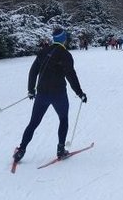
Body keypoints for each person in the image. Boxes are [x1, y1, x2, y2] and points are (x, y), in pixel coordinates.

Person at [12, 27, 87, 164]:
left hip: (42, 94)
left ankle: (21, 150)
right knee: (63, 119)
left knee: (33, 123)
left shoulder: (43, 52)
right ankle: (60, 150)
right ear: (64, 39)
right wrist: (79, 92)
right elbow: (71, 75)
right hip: (59, 94)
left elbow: (33, 71)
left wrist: (31, 89)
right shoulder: (65, 54)